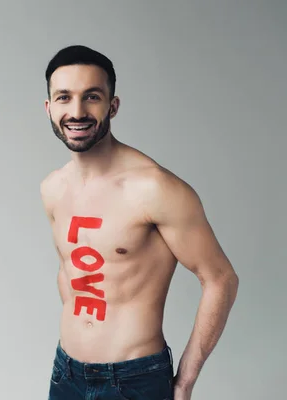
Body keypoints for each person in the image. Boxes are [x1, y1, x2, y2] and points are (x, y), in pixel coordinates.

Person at [39, 45, 239, 400]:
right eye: (64, 97)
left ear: (112, 106)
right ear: (49, 108)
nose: (77, 111)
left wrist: (185, 380)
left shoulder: (154, 188)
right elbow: (68, 271)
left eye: (92, 97)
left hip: (133, 380)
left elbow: (221, 279)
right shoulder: (53, 188)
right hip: (66, 371)